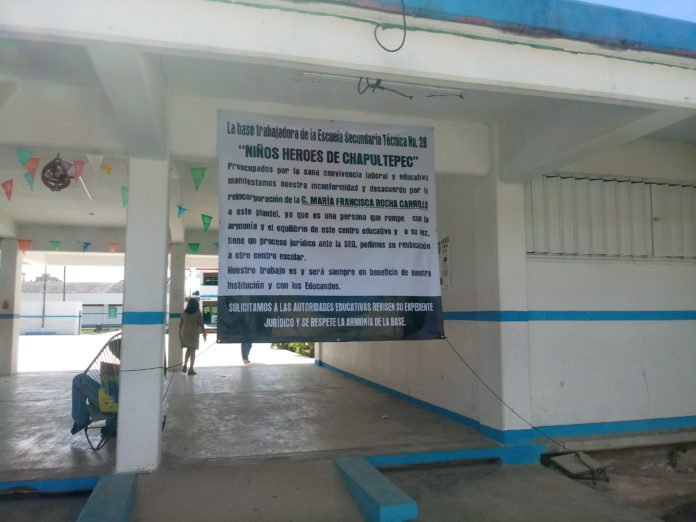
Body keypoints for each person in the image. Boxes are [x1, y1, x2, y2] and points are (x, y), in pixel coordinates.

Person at [179, 298, 206, 375]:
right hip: (193, 333)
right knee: (192, 351)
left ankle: (185, 365)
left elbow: (181, 324)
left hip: (185, 333)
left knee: (188, 349)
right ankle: (191, 369)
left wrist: (179, 332)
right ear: (196, 304)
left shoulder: (184, 312)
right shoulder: (198, 312)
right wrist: (204, 333)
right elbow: (201, 323)